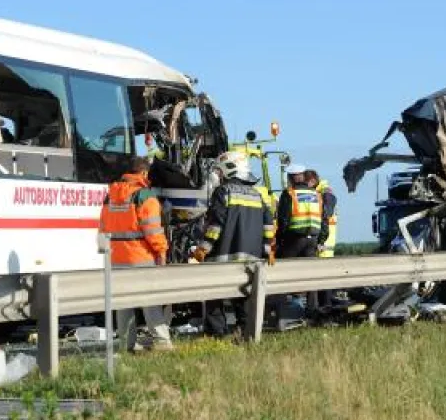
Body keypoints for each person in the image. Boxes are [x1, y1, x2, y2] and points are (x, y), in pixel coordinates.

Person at [192, 151, 275, 336]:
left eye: (220, 172)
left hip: (223, 256)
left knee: (214, 296)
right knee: (244, 297)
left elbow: (215, 225)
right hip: (250, 259)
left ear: (228, 170)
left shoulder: (224, 191)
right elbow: (268, 226)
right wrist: (267, 249)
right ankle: (246, 332)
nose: (219, 176)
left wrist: (203, 249)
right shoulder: (257, 195)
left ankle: (217, 333)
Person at [99, 157, 173, 352]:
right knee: (149, 301)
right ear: (143, 173)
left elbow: (102, 229)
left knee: (123, 304)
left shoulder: (110, 196)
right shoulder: (144, 196)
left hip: (115, 258)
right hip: (140, 257)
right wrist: (162, 251)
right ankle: (162, 341)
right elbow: (153, 231)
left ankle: (126, 344)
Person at [275, 164, 324, 258]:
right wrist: (321, 241)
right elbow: (324, 219)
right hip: (313, 240)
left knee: (285, 267)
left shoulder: (289, 193)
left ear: (290, 178)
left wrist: (279, 240)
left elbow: (283, 220)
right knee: (307, 269)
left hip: (294, 239)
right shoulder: (316, 194)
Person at [304, 170, 337, 258]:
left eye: (305, 183)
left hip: (323, 244)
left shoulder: (325, 194)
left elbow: (325, 216)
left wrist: (321, 241)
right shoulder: (321, 193)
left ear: (312, 181)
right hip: (321, 241)